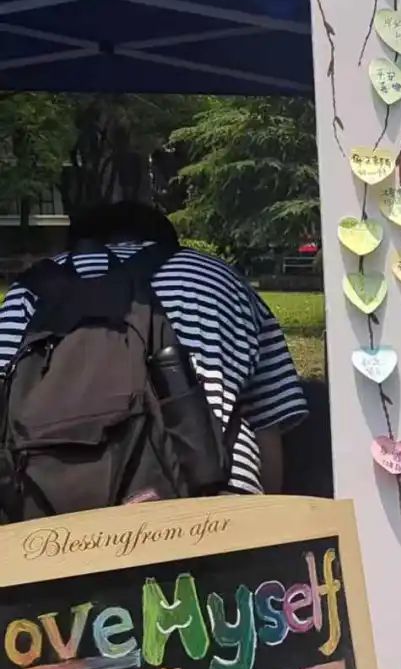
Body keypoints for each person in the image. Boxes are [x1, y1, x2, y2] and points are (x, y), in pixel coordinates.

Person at [0, 200, 307, 507]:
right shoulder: (216, 277)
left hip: (47, 514)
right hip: (210, 503)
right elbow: (268, 426)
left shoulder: (30, 290)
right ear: (165, 239)